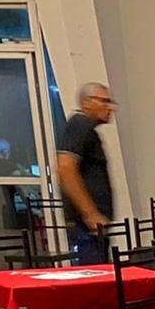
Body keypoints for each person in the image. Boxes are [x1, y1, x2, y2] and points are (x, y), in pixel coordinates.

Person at [57, 83, 116, 265]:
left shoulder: (88, 129)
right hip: (88, 226)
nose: (110, 107)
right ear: (86, 103)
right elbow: (65, 168)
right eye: (104, 101)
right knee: (95, 274)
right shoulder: (79, 125)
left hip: (93, 225)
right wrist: (90, 214)